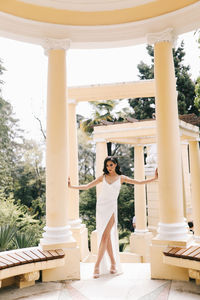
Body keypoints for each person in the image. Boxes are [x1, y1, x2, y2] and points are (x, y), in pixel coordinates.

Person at [68, 156, 158, 279]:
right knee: (106, 238)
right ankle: (113, 264)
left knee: (104, 236)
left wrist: (154, 178)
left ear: (116, 165)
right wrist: (71, 186)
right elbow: (87, 186)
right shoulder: (103, 177)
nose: (109, 167)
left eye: (111, 165)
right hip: (101, 208)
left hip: (111, 209)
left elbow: (139, 182)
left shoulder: (121, 178)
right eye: (107, 165)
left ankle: (97, 266)